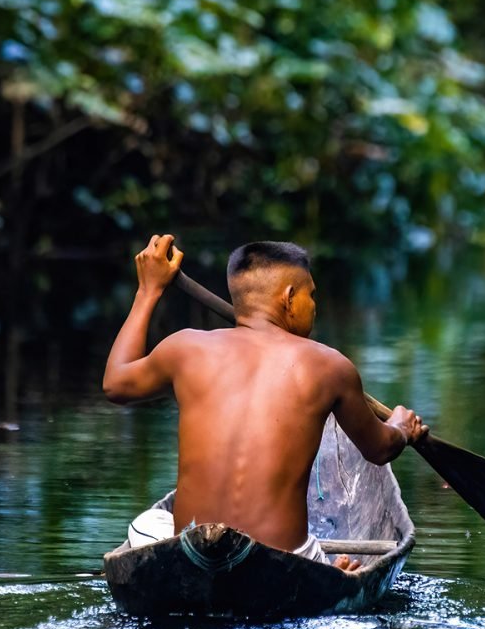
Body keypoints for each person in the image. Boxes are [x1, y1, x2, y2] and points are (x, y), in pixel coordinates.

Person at [102, 235, 429, 572]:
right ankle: (327, 570)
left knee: (151, 523)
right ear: (288, 298)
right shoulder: (330, 367)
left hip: (192, 553)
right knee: (313, 559)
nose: (314, 305)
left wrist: (148, 291)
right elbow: (379, 450)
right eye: (311, 295)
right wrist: (401, 428)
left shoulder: (185, 348)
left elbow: (115, 384)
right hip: (283, 562)